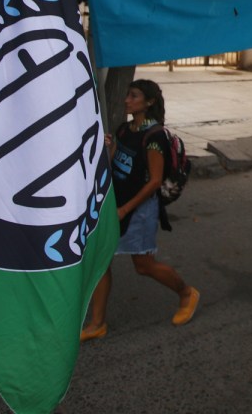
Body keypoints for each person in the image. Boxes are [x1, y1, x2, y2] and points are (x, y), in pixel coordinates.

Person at [81, 80, 199, 341]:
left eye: (134, 96)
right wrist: (109, 147)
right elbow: (118, 164)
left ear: (149, 102)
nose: (127, 100)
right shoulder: (125, 129)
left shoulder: (154, 137)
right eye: (127, 95)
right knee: (101, 261)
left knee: (144, 266)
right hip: (116, 204)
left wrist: (125, 209)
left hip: (138, 210)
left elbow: (154, 181)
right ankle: (97, 323)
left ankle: (186, 293)